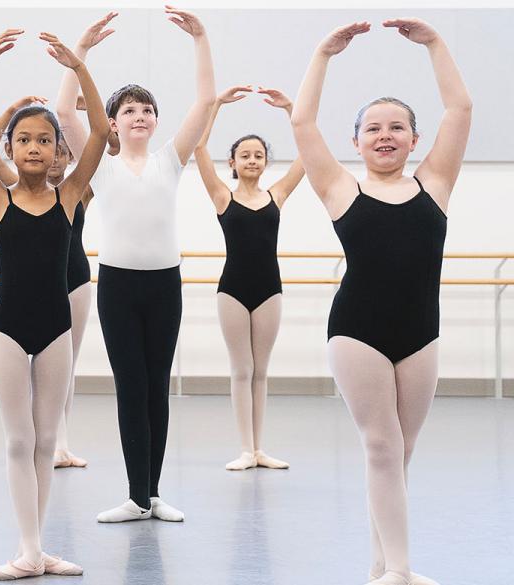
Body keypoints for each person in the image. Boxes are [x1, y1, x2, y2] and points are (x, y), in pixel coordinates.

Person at [291, 18, 470, 585]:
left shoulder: (435, 184)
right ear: (357, 142)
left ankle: (379, 563)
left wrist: (435, 46)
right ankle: (400, 570)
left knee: (400, 450)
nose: (385, 135)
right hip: (357, 332)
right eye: (373, 128)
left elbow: (459, 110)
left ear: (415, 140)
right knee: (380, 445)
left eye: (397, 127)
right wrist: (323, 53)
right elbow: (301, 121)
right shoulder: (341, 188)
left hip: (422, 332)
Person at [55, 8, 215, 524]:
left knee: (157, 384)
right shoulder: (99, 165)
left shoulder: (172, 159)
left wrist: (201, 38)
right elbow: (64, 113)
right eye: (128, 111)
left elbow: (207, 101)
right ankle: (134, 495)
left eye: (147, 110)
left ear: (156, 121)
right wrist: (80, 52)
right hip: (118, 287)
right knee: (131, 386)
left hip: (165, 284)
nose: (139, 116)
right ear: (114, 123)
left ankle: (154, 492)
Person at [0, 28, 108, 580]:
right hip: (8, 329)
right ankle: (26, 549)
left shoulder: (69, 198)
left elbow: (98, 133)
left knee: (47, 440)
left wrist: (78, 64)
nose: (34, 148)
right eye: (24, 140)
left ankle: (38, 548)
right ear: (12, 149)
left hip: (55, 331)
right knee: (19, 439)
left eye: (44, 140)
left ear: (55, 151)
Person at [191, 84, 305, 471]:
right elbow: (199, 149)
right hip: (233, 290)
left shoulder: (278, 195)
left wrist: (291, 108)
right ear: (234, 163)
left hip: (269, 289)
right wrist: (217, 104)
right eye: (245, 155)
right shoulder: (223, 197)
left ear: (265, 162)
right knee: (242, 369)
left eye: (258, 155)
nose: (252, 160)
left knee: (262, 370)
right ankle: (244, 449)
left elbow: (308, 155)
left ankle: (260, 449)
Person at [0, 97, 90, 469]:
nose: (47, 154)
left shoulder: (79, 190)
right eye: (29, 141)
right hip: (35, 289)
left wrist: (76, 114)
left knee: (66, 364)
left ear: (64, 151)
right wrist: (11, 113)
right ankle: (46, 440)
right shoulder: (16, 186)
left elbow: (102, 145)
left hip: (74, 281)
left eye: (52, 145)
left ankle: (60, 439)